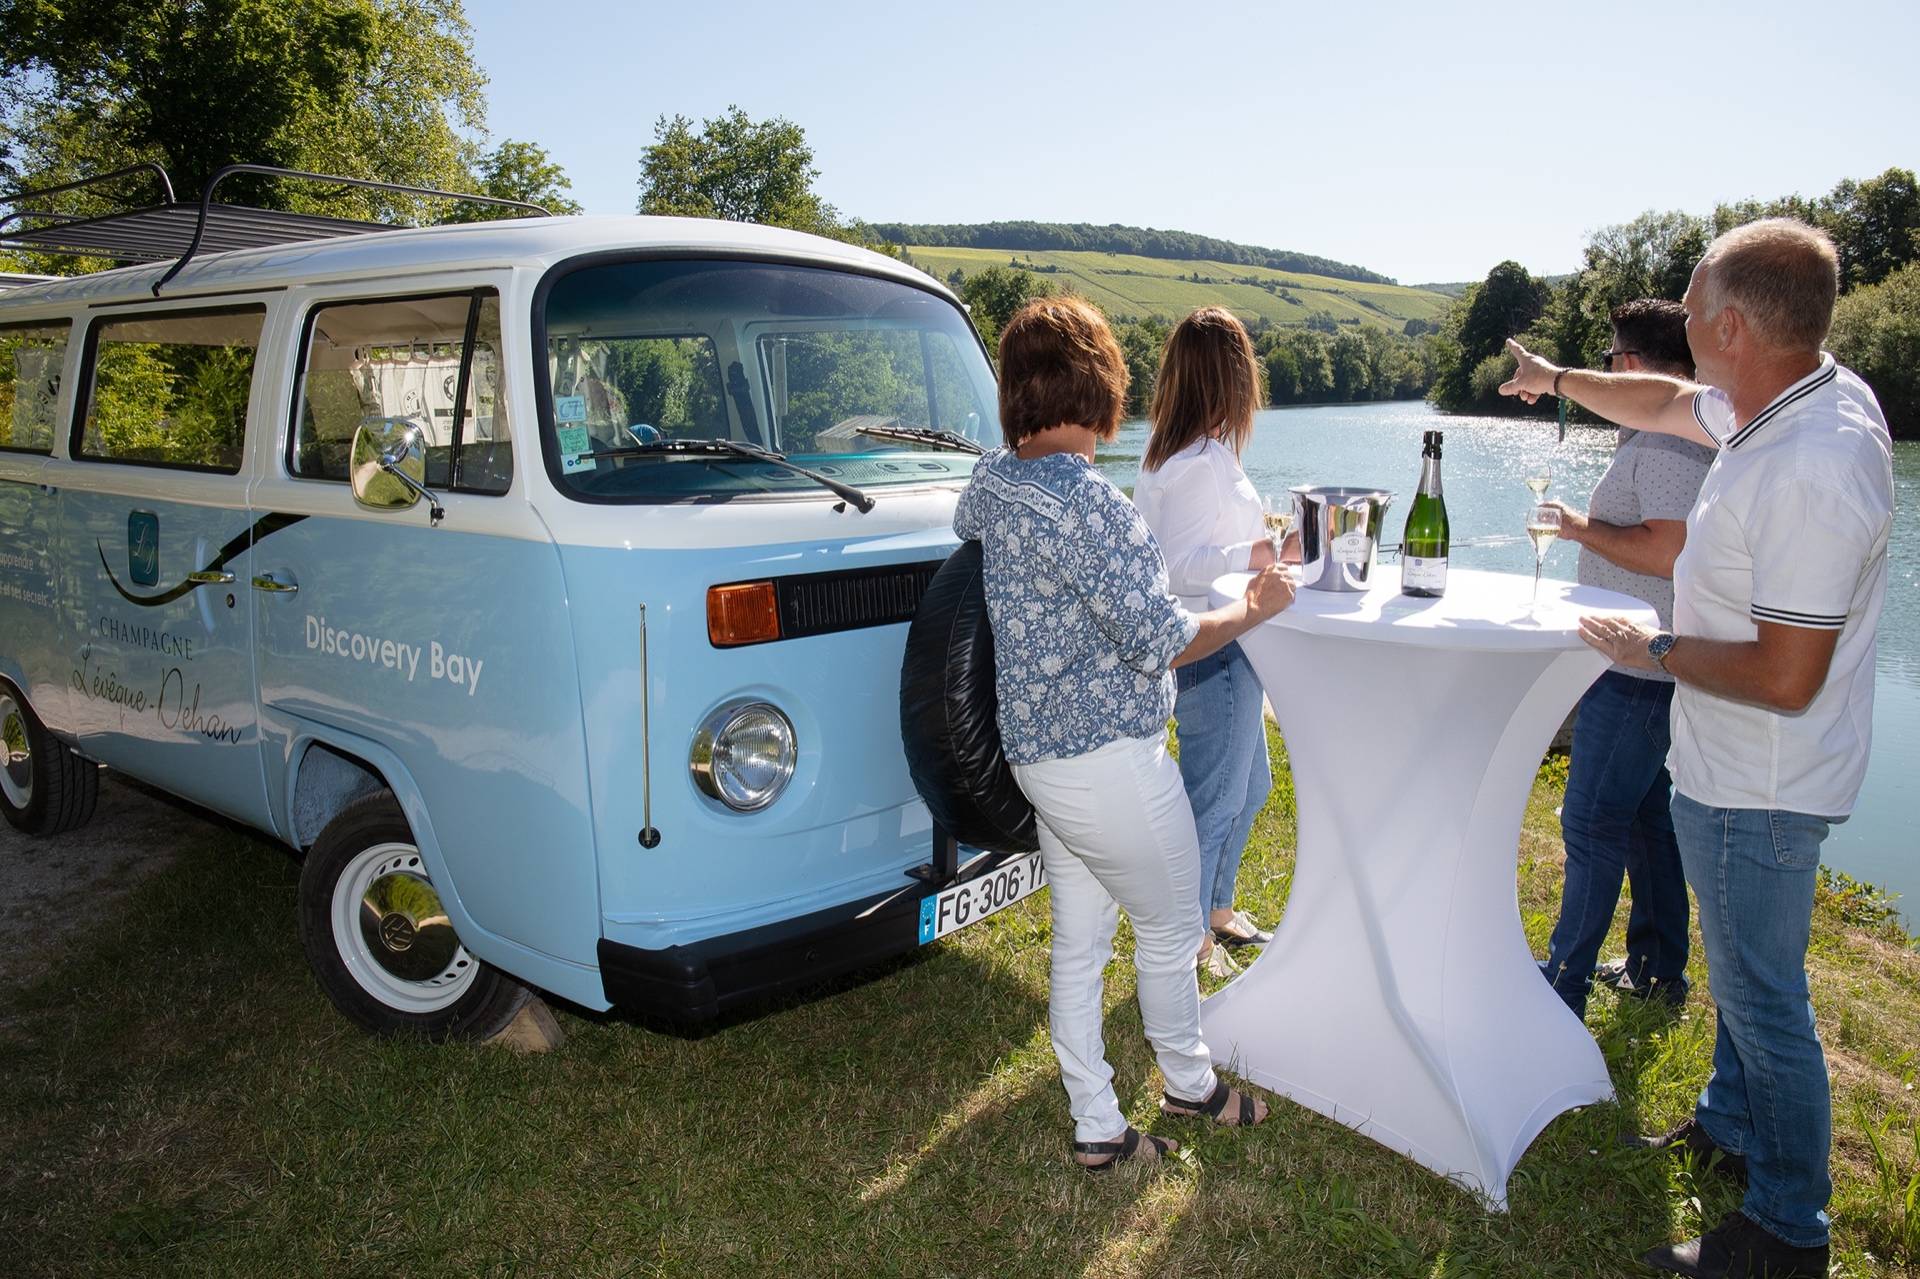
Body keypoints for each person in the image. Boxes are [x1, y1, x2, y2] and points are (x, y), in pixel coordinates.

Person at [1501, 218, 1893, 1279]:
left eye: (1691, 299)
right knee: (1744, 981)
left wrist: (1656, 642)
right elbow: (1665, 402)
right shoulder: (1787, 396)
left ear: (1725, 324)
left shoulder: (1817, 465)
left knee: (1766, 997)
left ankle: (1784, 1230)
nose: (1678, 320)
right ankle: (1728, 1126)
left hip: (1765, 778)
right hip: (1727, 759)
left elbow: (1784, 672)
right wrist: (1555, 376)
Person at [953, 295, 1293, 1170]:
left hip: (1039, 758)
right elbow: (1162, 639)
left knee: (1081, 943)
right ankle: (1188, 1080)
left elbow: (971, 525)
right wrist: (1250, 609)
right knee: (1175, 925)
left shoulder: (994, 485)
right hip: (1107, 758)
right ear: (1100, 384)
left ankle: (1097, 1124)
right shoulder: (1091, 505)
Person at [1537, 299, 1713, 1018]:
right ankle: (1657, 963)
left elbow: (1669, 550)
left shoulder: (1668, 443)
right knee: (1643, 817)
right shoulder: (1663, 433)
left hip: (1639, 671)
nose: (1607, 369)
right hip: (1642, 663)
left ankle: (1562, 984)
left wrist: (1580, 527)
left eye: (1609, 358)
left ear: (1631, 364)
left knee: (1589, 824)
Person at [1132, 308, 1282, 977]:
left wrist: (1263, 548)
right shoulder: (1195, 463)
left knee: (1249, 786)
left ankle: (1215, 908)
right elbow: (1181, 564)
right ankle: (1189, 938)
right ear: (1232, 377)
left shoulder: (1185, 452)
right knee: (1214, 798)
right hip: (1213, 647)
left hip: (1224, 643)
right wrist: (1266, 549)